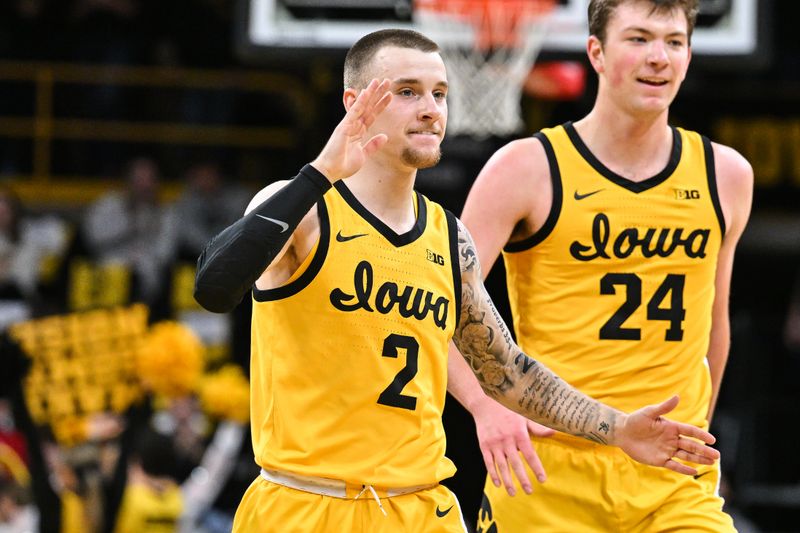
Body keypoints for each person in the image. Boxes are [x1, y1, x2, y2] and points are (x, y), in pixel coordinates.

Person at [193, 29, 721, 533]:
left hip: (422, 504)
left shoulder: (451, 240)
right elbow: (214, 287)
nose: (430, 108)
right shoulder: (304, 209)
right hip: (304, 501)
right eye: (406, 92)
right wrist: (320, 172)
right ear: (355, 103)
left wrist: (618, 428)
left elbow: (508, 372)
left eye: (439, 93)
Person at [446, 1, 753, 531]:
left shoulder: (725, 173)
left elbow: (713, 325)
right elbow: (438, 302)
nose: (658, 57)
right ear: (597, 52)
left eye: (673, 42)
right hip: (547, 472)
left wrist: (695, 428)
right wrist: (484, 404)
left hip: (669, 478)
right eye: (638, 39)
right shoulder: (526, 168)